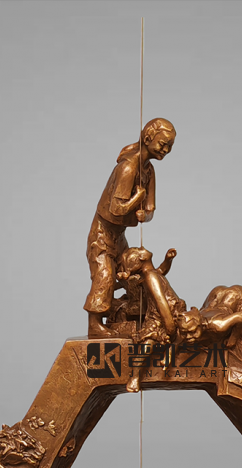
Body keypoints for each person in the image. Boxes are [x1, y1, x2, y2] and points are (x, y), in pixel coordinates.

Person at [84, 118, 176, 338]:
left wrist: (146, 214)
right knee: (105, 275)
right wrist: (137, 199)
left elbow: (150, 209)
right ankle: (94, 324)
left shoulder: (148, 170)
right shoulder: (128, 167)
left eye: (170, 146)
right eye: (163, 144)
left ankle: (127, 312)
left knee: (134, 271)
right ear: (148, 138)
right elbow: (116, 209)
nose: (166, 150)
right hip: (102, 235)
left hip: (119, 236)